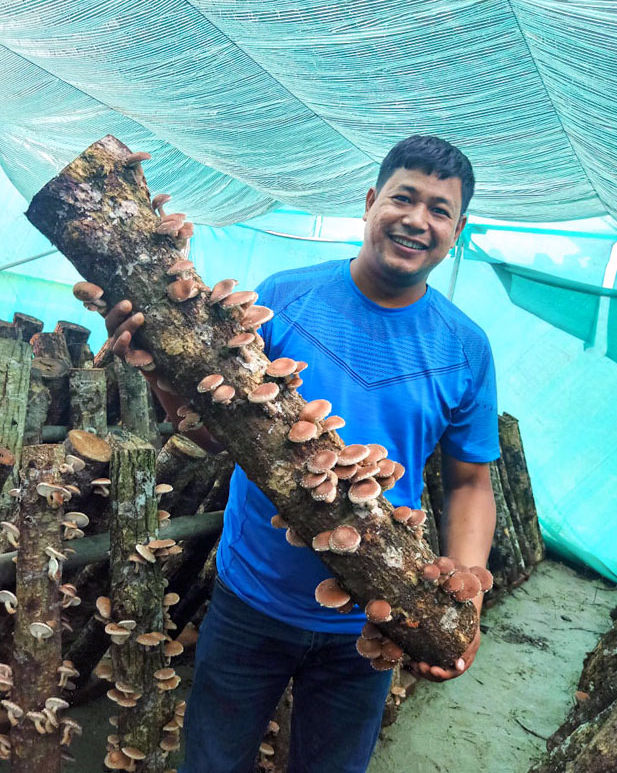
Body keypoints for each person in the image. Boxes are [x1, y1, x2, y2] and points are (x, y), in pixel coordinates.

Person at [103, 135, 499, 773]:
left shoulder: (466, 346)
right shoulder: (281, 298)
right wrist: (159, 374)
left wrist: (465, 588)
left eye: (439, 209)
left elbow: (470, 482)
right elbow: (219, 434)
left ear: (457, 229)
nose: (416, 219)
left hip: (372, 615)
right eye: (403, 198)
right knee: (211, 762)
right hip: (250, 599)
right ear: (370, 203)